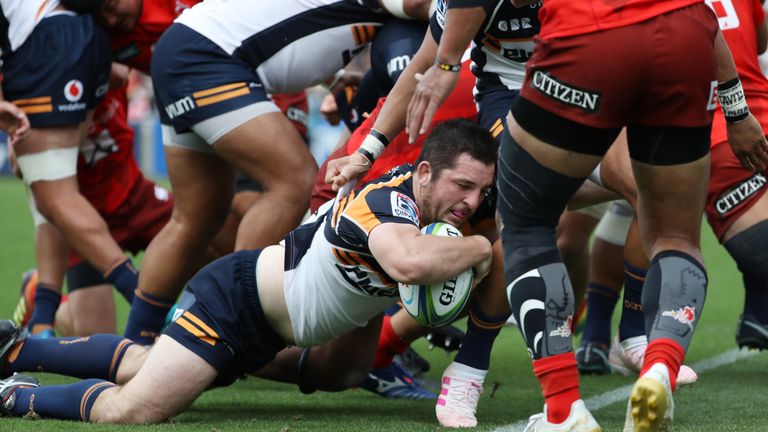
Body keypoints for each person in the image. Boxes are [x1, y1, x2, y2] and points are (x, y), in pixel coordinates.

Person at [0, 119, 496, 424]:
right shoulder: (388, 204)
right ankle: (16, 398)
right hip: (234, 305)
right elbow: (410, 262)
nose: (471, 202)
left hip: (263, 326)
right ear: (426, 172)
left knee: (143, 365)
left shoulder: (426, 209)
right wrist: (481, 247)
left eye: (481, 191)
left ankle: (18, 348)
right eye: (463, 186)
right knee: (133, 408)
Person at [2, 0, 142, 339]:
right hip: (80, 36)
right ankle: (44, 318)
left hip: (47, 39)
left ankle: (151, 304)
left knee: (55, 198)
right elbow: (121, 74)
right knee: (53, 196)